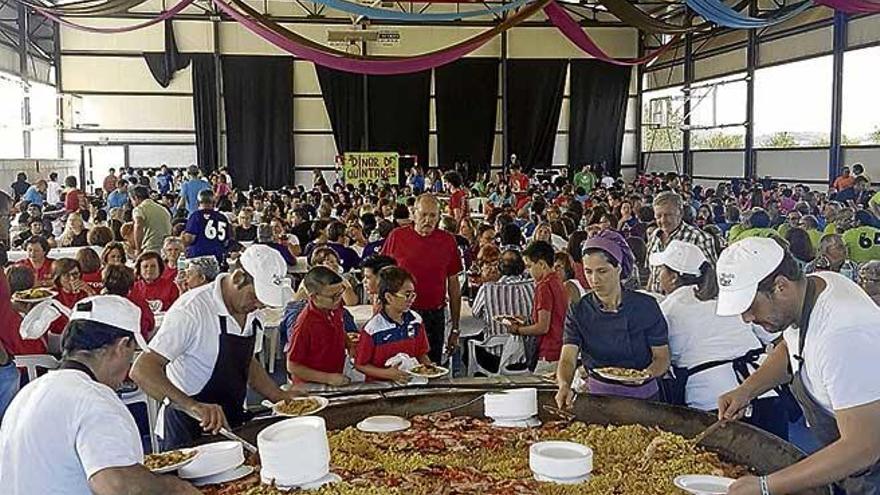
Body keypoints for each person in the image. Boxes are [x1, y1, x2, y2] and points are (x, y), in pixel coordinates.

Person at [716, 238, 880, 495]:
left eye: (750, 306)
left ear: (781, 286)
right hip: (849, 452)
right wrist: (746, 391)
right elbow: (791, 348)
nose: (746, 318)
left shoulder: (844, 334)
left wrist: (764, 486)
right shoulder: (811, 288)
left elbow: (865, 446)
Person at [0, 295, 199, 495]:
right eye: (132, 353)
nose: (127, 370)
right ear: (121, 347)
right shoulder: (93, 398)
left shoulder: (30, 392)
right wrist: (173, 487)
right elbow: (116, 485)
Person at [130, 245, 297, 450]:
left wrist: (277, 395)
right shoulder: (192, 309)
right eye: (256, 297)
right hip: (187, 429)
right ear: (237, 278)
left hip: (232, 423)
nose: (259, 305)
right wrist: (193, 406)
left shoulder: (251, 310)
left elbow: (245, 361)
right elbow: (142, 369)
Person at [649, 240, 786, 438]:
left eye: (662, 270)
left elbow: (667, 356)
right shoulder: (731, 296)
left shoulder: (669, 308)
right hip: (764, 392)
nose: (658, 275)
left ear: (673, 277)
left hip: (714, 402)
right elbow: (770, 336)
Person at [556, 230, 670, 406]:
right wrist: (564, 384)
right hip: (598, 399)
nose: (594, 279)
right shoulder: (579, 310)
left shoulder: (645, 306)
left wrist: (645, 375)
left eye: (602, 271)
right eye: (588, 271)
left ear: (618, 268)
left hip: (645, 399)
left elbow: (662, 358)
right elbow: (567, 358)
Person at [382, 194, 463, 364]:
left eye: (433, 215)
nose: (428, 220)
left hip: (435, 314)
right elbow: (382, 276)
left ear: (439, 217)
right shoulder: (397, 236)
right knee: (401, 365)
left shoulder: (448, 241)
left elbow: (454, 285)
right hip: (401, 314)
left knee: (431, 366)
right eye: (423, 214)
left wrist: (455, 327)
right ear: (414, 214)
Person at [355, 267, 432, 383]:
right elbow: (360, 365)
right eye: (407, 295)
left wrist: (429, 367)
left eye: (413, 295)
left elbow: (421, 354)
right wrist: (387, 374)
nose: (411, 300)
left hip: (410, 383)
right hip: (379, 387)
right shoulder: (373, 329)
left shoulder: (416, 321)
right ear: (389, 297)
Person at [501, 241, 567, 375]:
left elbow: (543, 327)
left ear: (541, 264)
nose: (528, 271)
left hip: (548, 352)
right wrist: (527, 320)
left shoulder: (543, 287)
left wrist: (518, 330)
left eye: (530, 266)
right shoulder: (557, 281)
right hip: (561, 347)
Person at [287, 266, 351, 386]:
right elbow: (292, 366)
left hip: (335, 375)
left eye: (340, 293)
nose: (339, 299)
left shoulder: (334, 306)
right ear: (314, 297)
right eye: (333, 296)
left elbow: (339, 327)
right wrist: (328, 378)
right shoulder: (305, 324)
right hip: (312, 385)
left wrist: (349, 343)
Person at [646, 191, 718, 293]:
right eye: (658, 216)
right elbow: (652, 274)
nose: (663, 220)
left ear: (680, 213)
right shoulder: (654, 236)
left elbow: (710, 278)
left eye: (668, 215)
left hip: (685, 303)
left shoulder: (700, 238)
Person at [472, 248, 535, 360]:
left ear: (500, 267)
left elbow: (476, 314)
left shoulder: (487, 289)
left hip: (495, 353)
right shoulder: (533, 287)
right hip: (527, 353)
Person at [102, 264, 154, 340]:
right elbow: (151, 325)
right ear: (131, 285)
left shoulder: (100, 304)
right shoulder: (139, 304)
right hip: (136, 345)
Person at [182, 189, 232, 263]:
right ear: (214, 203)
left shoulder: (196, 216)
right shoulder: (222, 217)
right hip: (218, 258)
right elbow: (226, 241)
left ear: (198, 203)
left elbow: (189, 239)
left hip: (198, 258)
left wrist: (182, 237)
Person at [130, 185, 172, 256]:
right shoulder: (163, 209)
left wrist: (138, 249)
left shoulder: (139, 209)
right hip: (166, 247)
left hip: (150, 247)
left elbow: (138, 225)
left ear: (136, 198)